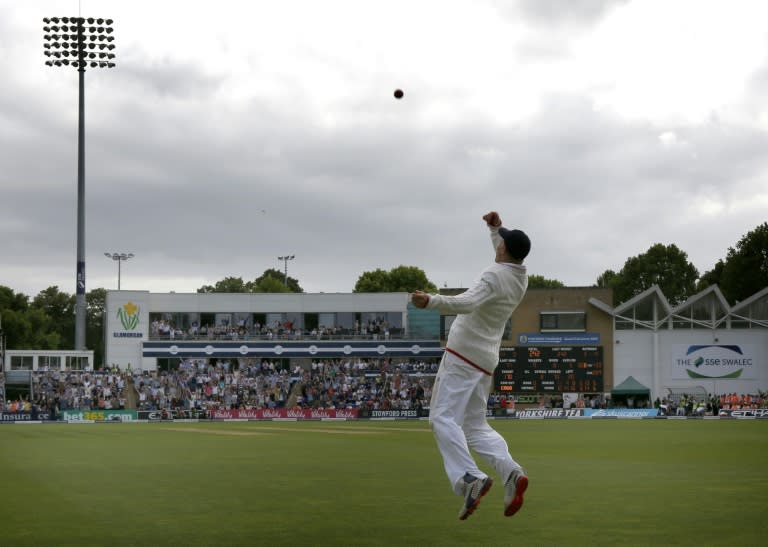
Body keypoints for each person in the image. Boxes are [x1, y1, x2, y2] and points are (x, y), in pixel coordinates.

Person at [411, 211, 530, 521]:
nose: (498, 243)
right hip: (485, 360)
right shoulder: (520, 276)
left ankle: (469, 478)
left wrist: (432, 301)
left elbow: (467, 302)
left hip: (463, 355)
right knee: (475, 426)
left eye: (500, 241)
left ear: (504, 250)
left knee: (440, 418)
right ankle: (511, 472)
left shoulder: (494, 275)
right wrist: (494, 228)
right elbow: (505, 247)